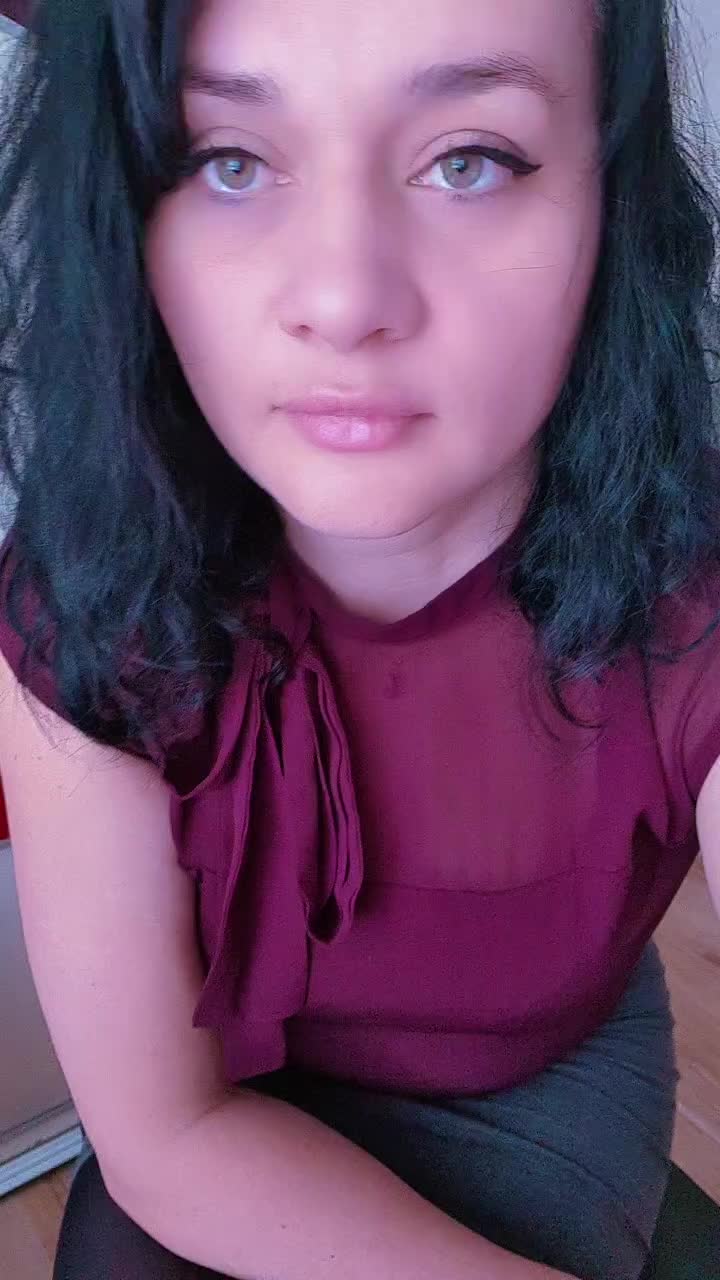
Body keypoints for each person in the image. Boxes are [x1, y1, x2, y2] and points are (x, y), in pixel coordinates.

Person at [0, 0, 719, 1277]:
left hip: (539, 1084)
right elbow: (163, 1129)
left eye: (469, 160)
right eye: (228, 160)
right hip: (216, 1097)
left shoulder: (689, 589)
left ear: (612, 199)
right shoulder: (84, 585)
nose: (341, 300)